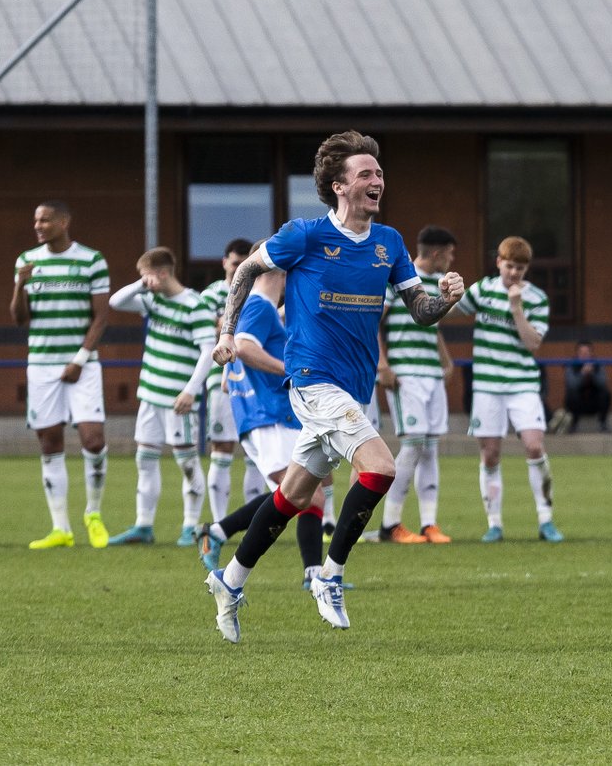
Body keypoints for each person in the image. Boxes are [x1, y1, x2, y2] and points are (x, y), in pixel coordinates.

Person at [203, 132, 463, 641]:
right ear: (338, 186)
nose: (377, 180)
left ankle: (229, 580)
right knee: (381, 468)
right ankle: (330, 574)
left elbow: (420, 311)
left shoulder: (389, 243)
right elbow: (247, 271)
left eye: (379, 173)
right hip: (312, 381)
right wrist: (228, 333)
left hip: (354, 388)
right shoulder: (304, 235)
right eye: (365, 173)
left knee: (293, 494)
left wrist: (446, 299)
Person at [196, 241, 327, 588]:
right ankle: (314, 576)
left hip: (265, 414)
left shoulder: (255, 309)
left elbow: (228, 374)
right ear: (281, 271)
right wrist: (290, 370)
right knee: (304, 494)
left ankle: (217, 531)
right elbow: (244, 348)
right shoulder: (259, 306)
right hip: (268, 416)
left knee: (299, 493)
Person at [12, 201, 111, 550]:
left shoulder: (91, 260)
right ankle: (61, 528)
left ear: (64, 221)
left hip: (82, 364)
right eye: (35, 220)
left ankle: (93, 514)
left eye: (45, 220)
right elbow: (20, 319)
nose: (38, 226)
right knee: (49, 442)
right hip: (42, 364)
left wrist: (80, 359)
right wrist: (20, 285)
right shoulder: (26, 261)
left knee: (93, 440)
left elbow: (101, 317)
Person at [453, 236, 563, 543]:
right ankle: (495, 524)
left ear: (527, 269)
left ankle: (546, 519)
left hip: (523, 383)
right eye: (510, 266)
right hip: (487, 385)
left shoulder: (536, 298)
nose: (514, 273)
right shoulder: (483, 290)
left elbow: (533, 343)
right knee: (490, 454)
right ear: (499, 262)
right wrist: (444, 293)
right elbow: (450, 310)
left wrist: (516, 308)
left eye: (520, 268)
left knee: (534, 447)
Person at [107, 247, 217, 546]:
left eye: (147, 276)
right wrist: (140, 284)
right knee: (145, 458)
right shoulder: (152, 299)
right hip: (150, 396)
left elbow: (208, 351)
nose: (144, 282)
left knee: (186, 461)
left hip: (178, 399)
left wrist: (190, 391)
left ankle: (190, 526)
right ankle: (144, 525)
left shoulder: (195, 305)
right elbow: (116, 301)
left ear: (163, 273)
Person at [373, 225, 458, 545]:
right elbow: (374, 323)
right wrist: (383, 365)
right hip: (405, 374)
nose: (451, 259)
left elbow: (432, 326)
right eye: (449, 253)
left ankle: (429, 523)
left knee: (431, 447)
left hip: (431, 374)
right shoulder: (398, 279)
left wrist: (446, 361)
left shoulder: (437, 284)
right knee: (412, 445)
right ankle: (390, 524)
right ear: (436, 253)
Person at [200, 238, 266, 522]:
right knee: (222, 447)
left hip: (254, 377)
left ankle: (254, 522)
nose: (239, 268)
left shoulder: (260, 291)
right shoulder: (211, 295)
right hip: (221, 379)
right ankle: (219, 520)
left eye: (244, 264)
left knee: (257, 450)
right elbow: (206, 332)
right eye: (235, 263)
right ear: (225, 262)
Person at [562, 340, 611, 432]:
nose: (584, 355)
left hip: (594, 403)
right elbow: (571, 385)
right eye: (581, 352)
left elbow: (603, 383)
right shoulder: (571, 365)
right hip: (578, 404)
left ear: (591, 353)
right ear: (577, 353)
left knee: (605, 393)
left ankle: (603, 424)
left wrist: (592, 373)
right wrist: (582, 373)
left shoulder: (597, 364)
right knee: (572, 394)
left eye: (587, 352)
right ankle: (574, 425)